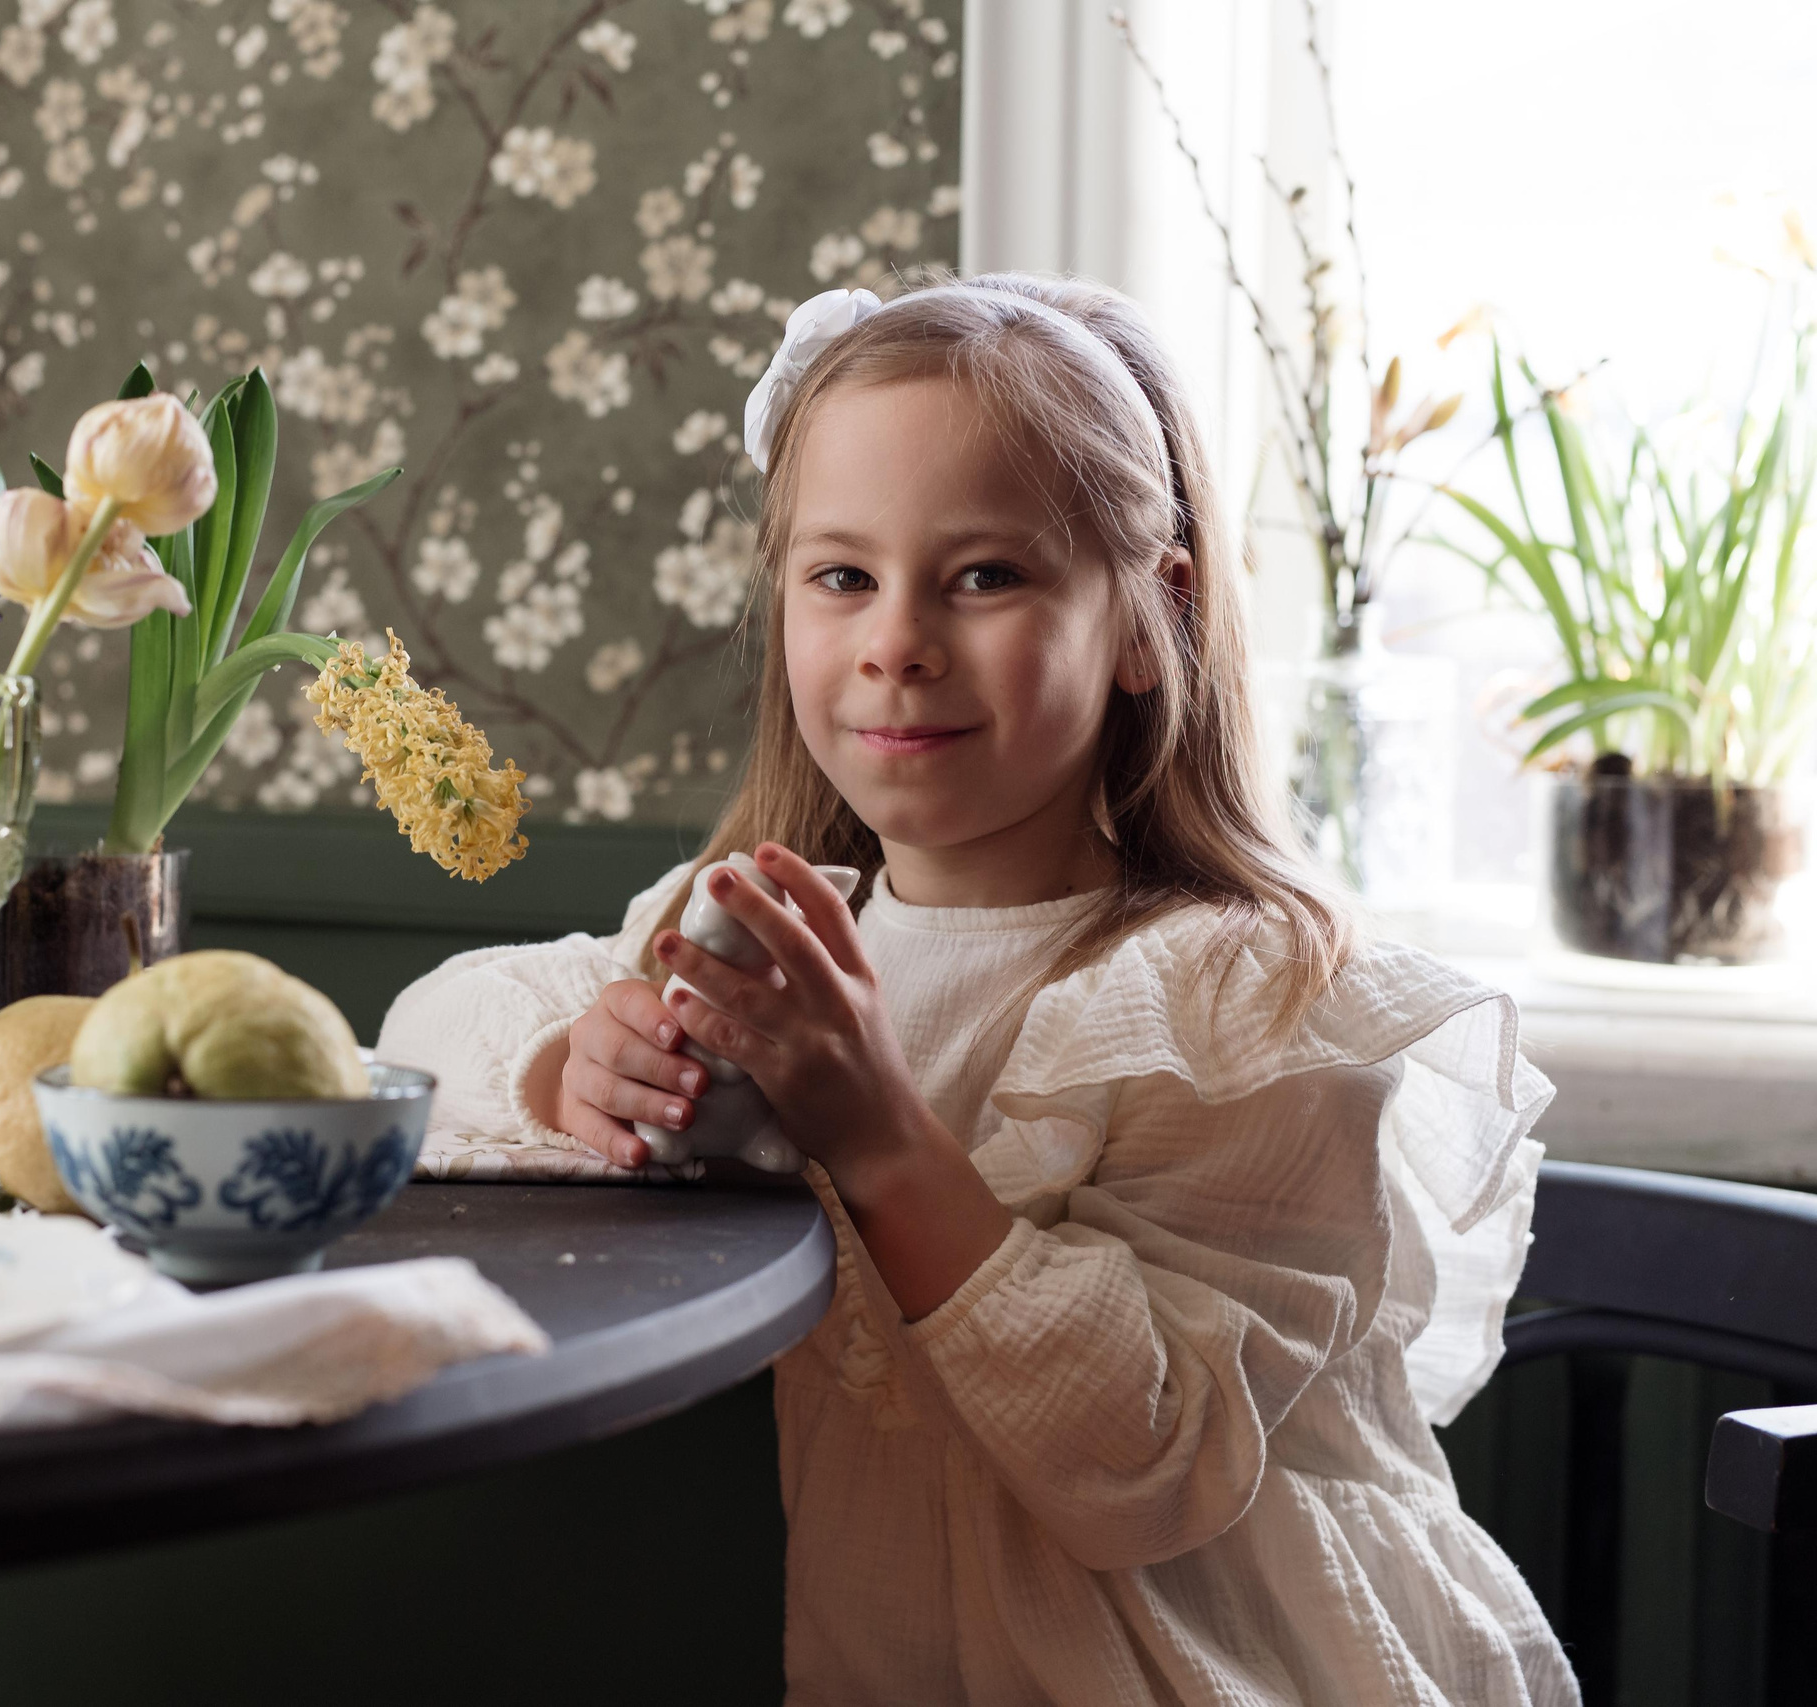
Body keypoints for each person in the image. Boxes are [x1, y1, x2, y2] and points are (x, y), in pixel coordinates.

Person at [378, 271, 1576, 1703]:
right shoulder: (783, 925)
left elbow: (1146, 1459)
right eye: (843, 577)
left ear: (1149, 621)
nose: (896, 641)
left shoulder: (1240, 1000)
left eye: (987, 576)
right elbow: (426, 1033)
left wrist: (880, 1138)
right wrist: (572, 1060)